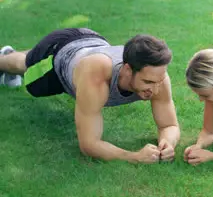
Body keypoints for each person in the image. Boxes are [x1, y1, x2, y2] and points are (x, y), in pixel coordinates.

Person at [0, 28, 180, 164]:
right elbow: (89, 144)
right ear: (127, 69)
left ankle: (26, 54)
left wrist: (168, 143)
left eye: (159, 81)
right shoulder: (96, 77)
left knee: (28, 60)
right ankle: (5, 57)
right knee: (24, 66)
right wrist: (133, 156)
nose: (155, 89)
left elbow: (169, 125)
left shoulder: (157, 77)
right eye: (148, 82)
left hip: (92, 42)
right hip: (57, 51)